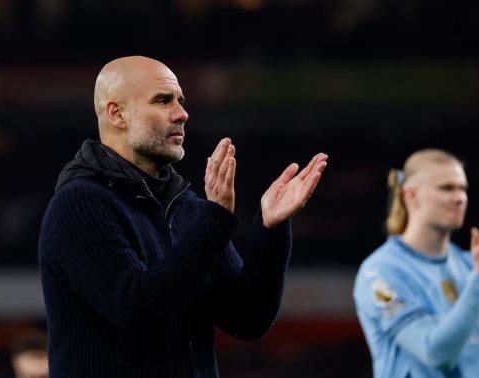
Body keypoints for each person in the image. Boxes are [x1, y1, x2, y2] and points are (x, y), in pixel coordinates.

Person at [37, 56, 327, 377]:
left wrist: (271, 229)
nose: (182, 113)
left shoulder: (187, 206)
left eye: (181, 101)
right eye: (163, 101)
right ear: (117, 114)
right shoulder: (80, 203)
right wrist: (215, 218)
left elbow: (249, 318)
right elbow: (137, 309)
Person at [353, 149, 479, 378]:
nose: (460, 198)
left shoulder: (472, 265)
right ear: (410, 195)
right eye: (447, 188)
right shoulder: (381, 272)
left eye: (463, 188)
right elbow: (435, 354)